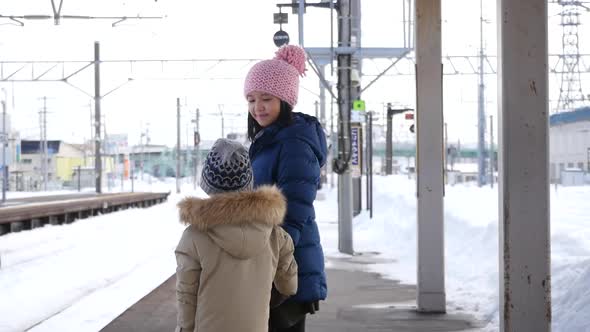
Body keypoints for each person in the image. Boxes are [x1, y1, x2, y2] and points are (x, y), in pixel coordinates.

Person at [244, 45, 328, 332]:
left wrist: (272, 263)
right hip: (276, 258)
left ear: (286, 100)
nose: (258, 107)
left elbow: (294, 208)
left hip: (287, 262)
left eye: (266, 98)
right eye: (252, 99)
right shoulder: (270, 140)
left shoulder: (293, 143)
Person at [174, 138, 298, 332]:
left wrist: (185, 328)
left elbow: (187, 296)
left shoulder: (193, 237)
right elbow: (289, 286)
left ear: (208, 183)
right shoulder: (276, 235)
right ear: (247, 180)